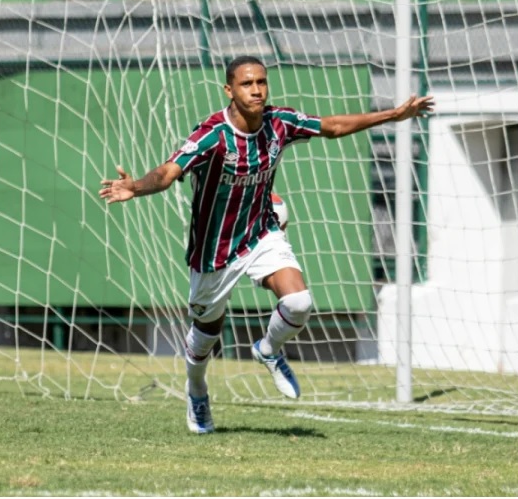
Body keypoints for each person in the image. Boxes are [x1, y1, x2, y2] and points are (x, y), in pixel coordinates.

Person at [99, 55, 433, 433]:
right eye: (246, 83)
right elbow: (167, 172)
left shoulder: (279, 123)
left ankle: (269, 349)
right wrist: (136, 186)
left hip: (261, 233)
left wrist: (393, 115)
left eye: (261, 82)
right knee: (205, 337)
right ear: (229, 90)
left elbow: (333, 126)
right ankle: (197, 393)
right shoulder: (212, 135)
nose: (256, 89)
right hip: (215, 251)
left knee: (299, 302)